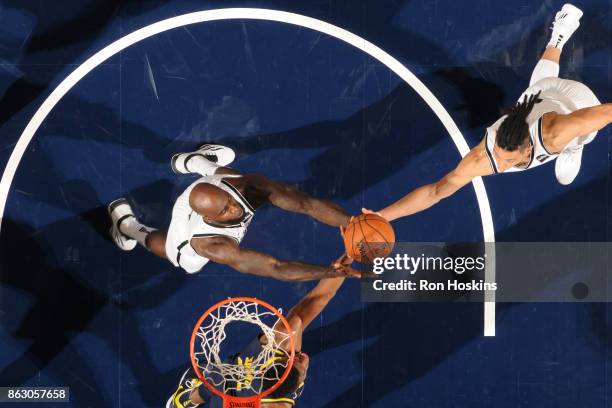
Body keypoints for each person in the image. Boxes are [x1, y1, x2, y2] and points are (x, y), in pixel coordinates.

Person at [367, 4, 611, 222]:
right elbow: (435, 192)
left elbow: (606, 111)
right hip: (541, 93)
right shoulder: (483, 157)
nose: (501, 167)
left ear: (528, 149)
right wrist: (383, 215)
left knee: (579, 142)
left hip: (577, 102)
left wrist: (577, 135)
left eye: (508, 160)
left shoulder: (555, 133)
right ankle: (556, 38)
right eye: (500, 156)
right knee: (539, 86)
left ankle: (575, 146)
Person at [108, 144, 357, 281]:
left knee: (231, 174)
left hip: (211, 190)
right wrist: (329, 271)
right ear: (212, 218)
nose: (235, 208)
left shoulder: (241, 189)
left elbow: (307, 204)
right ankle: (127, 226)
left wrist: (353, 223)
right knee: (175, 254)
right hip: (188, 229)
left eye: (230, 202)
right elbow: (276, 267)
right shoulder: (212, 245)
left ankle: (193, 161)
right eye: (227, 210)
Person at [166, 255, 352, 407]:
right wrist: (346, 260)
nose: (301, 358)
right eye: (293, 359)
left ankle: (187, 400)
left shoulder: (275, 392)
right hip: (235, 387)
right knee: (218, 377)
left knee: (216, 379)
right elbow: (317, 300)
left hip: (226, 400)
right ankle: (186, 400)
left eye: (293, 361)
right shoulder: (284, 340)